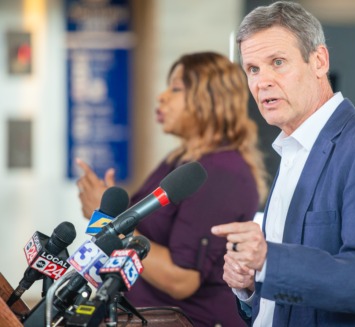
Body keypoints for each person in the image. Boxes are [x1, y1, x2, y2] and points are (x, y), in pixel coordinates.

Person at [210, 2, 355, 326]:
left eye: (277, 62)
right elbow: (287, 298)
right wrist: (249, 285)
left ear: (319, 61)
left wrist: (269, 261)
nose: (262, 82)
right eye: (253, 69)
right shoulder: (292, 149)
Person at [76, 51, 268, 326]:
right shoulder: (180, 161)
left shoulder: (219, 173)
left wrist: (109, 220)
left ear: (211, 99)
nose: (161, 96)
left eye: (176, 88)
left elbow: (182, 279)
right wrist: (106, 218)